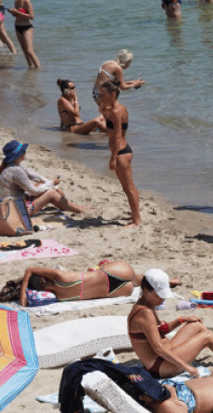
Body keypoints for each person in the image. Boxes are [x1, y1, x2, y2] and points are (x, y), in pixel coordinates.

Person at [128, 268, 213, 378]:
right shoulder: (145, 313)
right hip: (159, 367)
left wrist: (181, 319)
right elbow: (158, 348)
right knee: (206, 337)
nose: (163, 299)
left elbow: (159, 331)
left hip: (164, 355)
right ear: (146, 291)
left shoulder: (147, 304)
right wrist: (186, 367)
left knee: (196, 325)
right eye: (160, 295)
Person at [0, 140, 85, 220]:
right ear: (19, 154)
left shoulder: (12, 165)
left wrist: (53, 185)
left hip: (11, 206)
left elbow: (35, 176)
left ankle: (73, 206)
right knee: (51, 193)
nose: (25, 152)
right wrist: (52, 183)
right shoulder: (15, 170)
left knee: (42, 185)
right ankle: (80, 210)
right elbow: (34, 191)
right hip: (15, 212)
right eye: (23, 151)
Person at [1, 259, 142, 307]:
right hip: (110, 273)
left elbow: (29, 273)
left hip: (114, 291)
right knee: (140, 280)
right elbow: (30, 270)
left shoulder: (58, 298)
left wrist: (23, 296)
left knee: (134, 284)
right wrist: (22, 293)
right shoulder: (60, 276)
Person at [97, 82, 140, 226]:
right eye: (100, 94)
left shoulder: (116, 112)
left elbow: (117, 136)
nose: (100, 97)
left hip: (120, 153)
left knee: (129, 188)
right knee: (128, 187)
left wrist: (113, 158)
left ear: (113, 94)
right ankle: (135, 216)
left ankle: (137, 220)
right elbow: (102, 111)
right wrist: (104, 104)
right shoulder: (119, 109)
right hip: (123, 151)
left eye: (103, 95)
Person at [11, 0, 37, 69]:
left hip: (27, 27)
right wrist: (13, 12)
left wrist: (18, 12)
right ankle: (31, 67)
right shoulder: (16, 1)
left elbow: (31, 16)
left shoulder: (27, 2)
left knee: (29, 51)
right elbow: (17, 16)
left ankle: (38, 68)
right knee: (24, 50)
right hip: (17, 26)